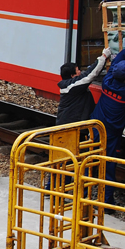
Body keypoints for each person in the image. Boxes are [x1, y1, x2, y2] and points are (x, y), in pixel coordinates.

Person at [45, 48, 110, 196]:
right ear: (73, 75)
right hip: (70, 129)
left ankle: (52, 189)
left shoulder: (69, 86)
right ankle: (58, 190)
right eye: (78, 70)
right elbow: (90, 75)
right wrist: (103, 57)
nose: (80, 71)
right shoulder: (73, 86)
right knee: (68, 160)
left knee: (63, 159)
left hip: (71, 127)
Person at [90, 34, 125, 207]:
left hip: (96, 125)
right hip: (111, 133)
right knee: (108, 163)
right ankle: (106, 201)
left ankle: (83, 192)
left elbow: (115, 63)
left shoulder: (107, 81)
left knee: (88, 157)